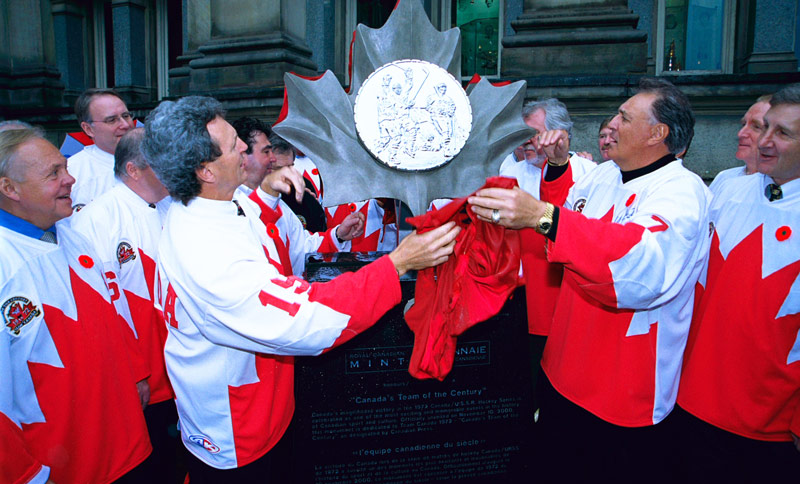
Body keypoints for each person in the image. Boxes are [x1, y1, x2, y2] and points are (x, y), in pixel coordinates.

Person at [140, 96, 459, 480]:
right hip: (239, 429)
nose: (244, 147)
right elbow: (308, 319)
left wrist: (267, 191)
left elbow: (259, 227)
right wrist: (396, 265)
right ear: (205, 171)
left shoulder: (218, 203)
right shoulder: (207, 253)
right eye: (233, 144)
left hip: (263, 406)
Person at [469, 78, 710, 482]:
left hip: (622, 389)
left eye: (624, 118)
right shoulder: (603, 176)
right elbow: (563, 227)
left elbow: (641, 269)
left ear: (657, 134)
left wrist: (542, 217)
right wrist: (554, 179)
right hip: (563, 367)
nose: (611, 123)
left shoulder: (683, 192)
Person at [0, 128, 151, 483]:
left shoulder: (71, 233)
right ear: (10, 189)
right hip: (62, 466)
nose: (70, 179)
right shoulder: (6, 264)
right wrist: (26, 475)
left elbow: (113, 310)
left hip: (125, 444)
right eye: (53, 173)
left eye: (65, 168)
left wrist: (136, 371)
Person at [675, 84, 800, 481]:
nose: (764, 141)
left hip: (768, 427)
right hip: (692, 402)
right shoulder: (729, 189)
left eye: (782, 133)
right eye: (766, 127)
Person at [69, 127, 185, 482]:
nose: (172, 169)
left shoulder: (174, 207)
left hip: (181, 363)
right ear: (133, 169)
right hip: (144, 375)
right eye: (162, 163)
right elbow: (101, 309)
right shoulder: (97, 219)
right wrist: (133, 371)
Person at [497, 98, 596, 412]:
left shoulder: (590, 174)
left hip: (564, 297)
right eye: (521, 134)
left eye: (533, 134)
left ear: (559, 134)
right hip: (518, 295)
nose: (525, 142)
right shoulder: (510, 169)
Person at [68, 88, 135, 210]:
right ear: (88, 129)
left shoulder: (155, 160)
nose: (125, 125)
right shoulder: (73, 174)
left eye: (126, 116)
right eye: (112, 120)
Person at [708, 94, 772, 194]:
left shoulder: (777, 188)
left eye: (756, 127)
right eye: (743, 124)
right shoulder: (725, 177)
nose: (741, 133)